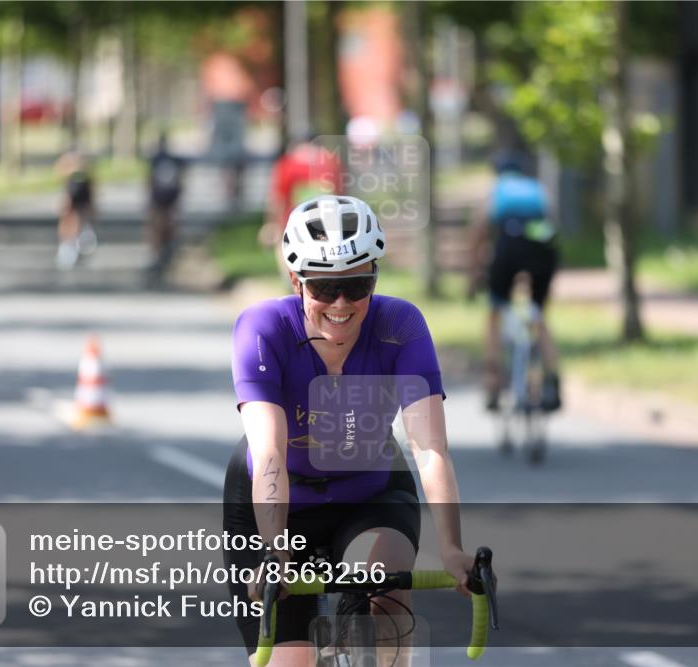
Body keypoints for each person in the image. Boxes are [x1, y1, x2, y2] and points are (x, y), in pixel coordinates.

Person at [225, 195, 475, 666]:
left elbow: (431, 450)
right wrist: (276, 552)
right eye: (323, 287)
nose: (341, 304)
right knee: (290, 659)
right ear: (296, 281)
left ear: (375, 278)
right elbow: (271, 454)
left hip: (369, 490)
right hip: (278, 502)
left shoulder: (400, 324)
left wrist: (452, 548)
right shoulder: (263, 328)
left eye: (357, 285)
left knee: (387, 592)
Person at [468, 153, 561, 413]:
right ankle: (553, 381)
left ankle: (493, 384)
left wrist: (474, 276)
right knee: (539, 314)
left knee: (495, 313)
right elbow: (553, 223)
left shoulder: (496, 190)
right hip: (544, 248)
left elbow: (479, 231)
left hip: (509, 246)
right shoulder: (538, 189)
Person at [259, 135, 342, 278]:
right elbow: (340, 194)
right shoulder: (331, 162)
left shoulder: (288, 164)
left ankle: (294, 286)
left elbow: (277, 199)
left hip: (294, 225)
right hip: (328, 224)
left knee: (289, 261)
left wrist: (271, 224)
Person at [144, 132, 186, 286]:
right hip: (165, 199)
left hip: (165, 199)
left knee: (160, 225)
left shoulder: (159, 160)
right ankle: (160, 252)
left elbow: (149, 180)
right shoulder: (165, 160)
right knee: (160, 225)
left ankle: (164, 250)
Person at [55, 150, 96, 270]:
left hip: (81, 195)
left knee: (79, 217)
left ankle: (79, 240)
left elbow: (92, 186)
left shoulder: (85, 172)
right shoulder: (70, 172)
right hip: (73, 193)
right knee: (69, 218)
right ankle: (68, 245)